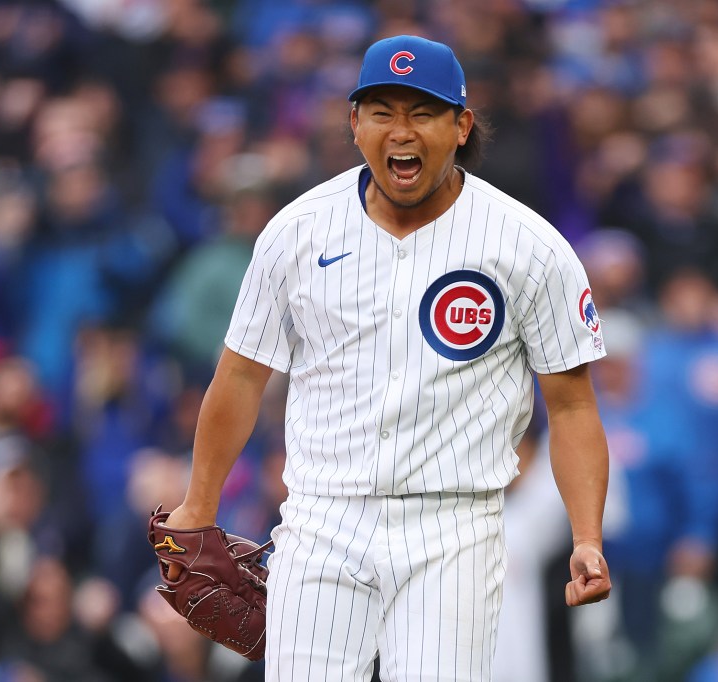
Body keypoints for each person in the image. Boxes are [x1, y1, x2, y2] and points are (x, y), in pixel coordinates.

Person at [162, 34, 612, 681]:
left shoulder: (527, 246)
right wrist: (198, 508)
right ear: (353, 124)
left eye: (422, 112)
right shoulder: (297, 231)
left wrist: (586, 537)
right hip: (322, 519)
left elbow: (571, 406)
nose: (401, 131)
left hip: (452, 527)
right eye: (382, 111)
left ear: (460, 126)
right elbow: (240, 374)